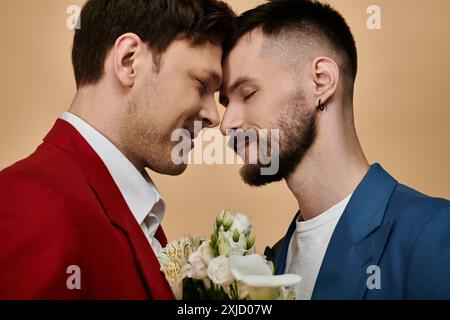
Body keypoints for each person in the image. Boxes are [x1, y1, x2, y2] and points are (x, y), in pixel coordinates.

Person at [0, 0, 235, 299]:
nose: (214, 117)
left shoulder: (123, 206)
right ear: (128, 60)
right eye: (201, 83)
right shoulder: (28, 203)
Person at [219, 0, 450, 299]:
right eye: (225, 103)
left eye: (248, 93)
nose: (226, 124)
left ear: (321, 81)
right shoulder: (272, 262)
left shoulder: (432, 232)